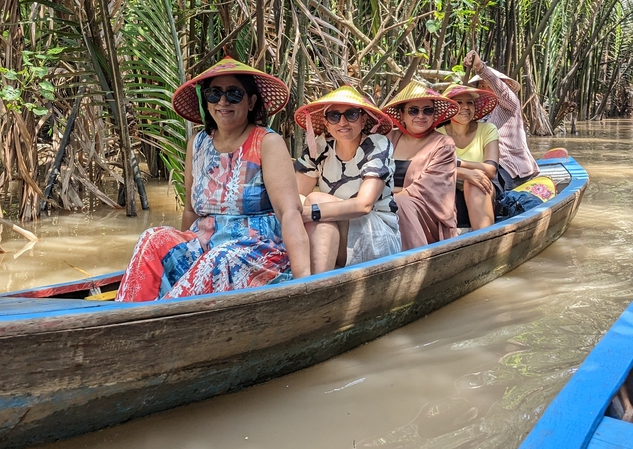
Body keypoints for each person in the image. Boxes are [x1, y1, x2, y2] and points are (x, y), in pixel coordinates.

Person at [116, 57, 310, 302]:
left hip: (255, 251)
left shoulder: (267, 142)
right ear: (206, 101)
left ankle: (161, 318)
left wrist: (304, 280)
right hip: (205, 245)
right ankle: (128, 311)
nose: (222, 101)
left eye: (234, 94)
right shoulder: (197, 144)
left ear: (251, 102)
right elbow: (190, 209)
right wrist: (183, 260)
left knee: (219, 258)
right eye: (214, 93)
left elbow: (289, 213)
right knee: (152, 238)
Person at [293, 86, 400, 273]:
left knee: (316, 201)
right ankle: (315, 285)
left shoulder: (376, 145)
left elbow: (363, 205)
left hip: (379, 236)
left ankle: (313, 285)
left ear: (363, 119)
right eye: (334, 116)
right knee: (311, 210)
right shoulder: (320, 147)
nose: (342, 122)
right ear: (326, 123)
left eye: (351, 115)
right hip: (334, 228)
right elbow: (295, 197)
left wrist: (311, 212)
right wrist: (308, 211)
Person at [383, 82, 460, 250]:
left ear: (434, 115)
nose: (421, 115)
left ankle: (414, 261)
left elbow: (426, 188)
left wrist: (382, 199)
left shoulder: (444, 144)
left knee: (402, 203)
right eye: (413, 110)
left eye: (428, 110)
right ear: (401, 115)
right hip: (383, 205)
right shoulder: (387, 138)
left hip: (425, 214)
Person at [463, 51, 539, 189]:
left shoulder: (510, 105)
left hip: (511, 168)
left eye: (489, 85)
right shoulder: (473, 113)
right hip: (485, 164)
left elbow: (501, 91)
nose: (486, 90)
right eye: (481, 86)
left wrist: (479, 67)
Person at [439, 84, 500, 230]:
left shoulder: (488, 129)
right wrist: (465, 172)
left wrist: (457, 163)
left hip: (482, 186)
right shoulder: (438, 134)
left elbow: (491, 170)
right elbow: (436, 170)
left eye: (469, 103)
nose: (465, 107)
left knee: (474, 181)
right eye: (459, 103)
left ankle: (484, 239)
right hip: (449, 186)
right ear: (449, 108)